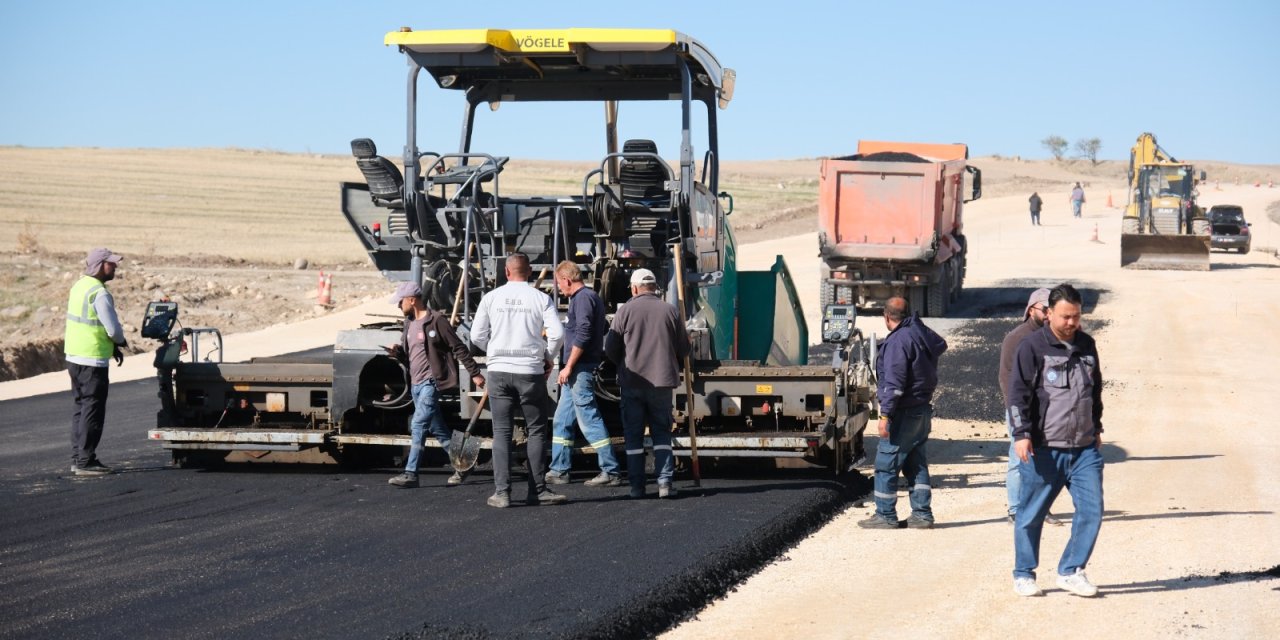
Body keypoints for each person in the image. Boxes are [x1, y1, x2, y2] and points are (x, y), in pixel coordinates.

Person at [1008, 283, 1104, 598]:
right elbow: (1017, 395)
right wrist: (1021, 435)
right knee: (1031, 514)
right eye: (1065, 317)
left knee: (1092, 510)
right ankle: (1024, 573)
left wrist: (1097, 427)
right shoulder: (1031, 347)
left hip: (1084, 449)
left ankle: (1071, 571)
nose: (1071, 323)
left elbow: (1095, 391)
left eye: (1076, 316)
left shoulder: (1088, 345)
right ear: (1049, 313)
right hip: (1044, 448)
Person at [471, 253, 566, 508]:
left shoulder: (491, 298)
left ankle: (502, 493)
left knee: (501, 432)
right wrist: (547, 356)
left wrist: (493, 350)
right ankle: (538, 491)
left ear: (506, 272)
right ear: (531, 271)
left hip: (498, 371)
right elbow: (557, 334)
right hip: (530, 371)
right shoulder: (540, 298)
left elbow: (476, 335)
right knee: (536, 430)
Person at [385, 281, 485, 489]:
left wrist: (475, 374)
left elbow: (458, 347)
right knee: (437, 428)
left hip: (431, 382)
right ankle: (463, 464)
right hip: (416, 384)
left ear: (412, 300)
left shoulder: (437, 320)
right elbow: (410, 355)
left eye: (400, 302)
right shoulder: (409, 323)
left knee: (418, 424)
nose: (398, 306)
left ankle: (411, 473)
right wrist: (398, 353)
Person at [858, 296, 947, 530]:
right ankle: (922, 514)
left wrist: (884, 416)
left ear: (887, 317)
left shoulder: (898, 342)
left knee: (886, 462)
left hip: (904, 412)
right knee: (915, 463)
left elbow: (894, 384)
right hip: (921, 410)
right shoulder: (920, 334)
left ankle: (885, 515)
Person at [604, 268, 689, 499]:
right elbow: (684, 348)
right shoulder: (670, 311)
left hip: (632, 383)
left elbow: (610, 347)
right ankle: (664, 484)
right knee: (662, 434)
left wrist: (623, 363)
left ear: (634, 288)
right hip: (662, 383)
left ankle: (637, 487)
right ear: (654, 287)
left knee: (633, 436)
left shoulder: (625, 312)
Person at [546, 261, 622, 487]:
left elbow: (584, 333)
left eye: (560, 284)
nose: (560, 288)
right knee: (561, 420)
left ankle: (611, 470)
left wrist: (568, 366)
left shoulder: (583, 299)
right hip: (576, 370)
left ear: (567, 280)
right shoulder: (585, 299)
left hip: (579, 370)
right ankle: (559, 469)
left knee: (588, 418)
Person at [998, 288, 1061, 526]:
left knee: (1046, 460)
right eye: (1045, 310)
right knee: (1019, 459)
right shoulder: (1016, 338)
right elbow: (1006, 377)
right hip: (1022, 410)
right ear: (1031, 309)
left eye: (1051, 310)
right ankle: (1016, 509)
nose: (1048, 315)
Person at [64, 248, 129, 476]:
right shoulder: (99, 293)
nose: (115, 267)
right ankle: (86, 461)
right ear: (100, 265)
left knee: (80, 408)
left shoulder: (79, 286)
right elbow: (112, 328)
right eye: (111, 264)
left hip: (74, 357)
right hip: (92, 360)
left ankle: (78, 457)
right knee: (93, 409)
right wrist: (120, 342)